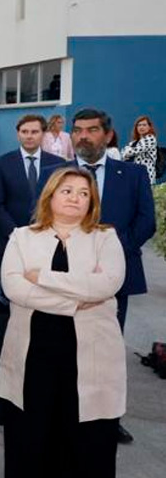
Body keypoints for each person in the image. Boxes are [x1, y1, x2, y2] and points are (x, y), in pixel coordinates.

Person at [0, 166, 127, 478]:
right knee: (31, 425)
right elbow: (14, 287)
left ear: (92, 201)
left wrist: (44, 278)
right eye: (66, 190)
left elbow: (108, 284)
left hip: (91, 348)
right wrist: (78, 298)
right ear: (50, 195)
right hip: (34, 345)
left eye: (83, 193)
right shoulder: (22, 237)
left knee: (83, 429)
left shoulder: (106, 238)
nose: (74, 198)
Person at [69, 108, 155, 445]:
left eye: (91, 130)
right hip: (66, 278)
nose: (83, 137)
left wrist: (113, 256)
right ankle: (69, 415)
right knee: (68, 349)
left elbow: (146, 221)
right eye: (77, 130)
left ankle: (106, 419)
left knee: (107, 351)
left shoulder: (131, 174)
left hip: (114, 281)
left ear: (107, 135)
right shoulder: (57, 173)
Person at [0, 114, 66, 280]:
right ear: (18, 134)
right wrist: (16, 234)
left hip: (48, 240)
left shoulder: (58, 164)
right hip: (9, 240)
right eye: (24, 131)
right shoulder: (2, 163)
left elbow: (62, 203)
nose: (29, 136)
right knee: (7, 296)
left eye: (34, 131)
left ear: (43, 134)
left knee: (46, 294)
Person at [121, 115, 158, 182]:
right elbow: (123, 154)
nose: (141, 127)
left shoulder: (150, 138)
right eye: (139, 125)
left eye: (144, 125)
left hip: (146, 175)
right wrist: (126, 152)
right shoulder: (134, 142)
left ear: (149, 127)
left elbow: (133, 151)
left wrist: (127, 151)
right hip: (133, 175)